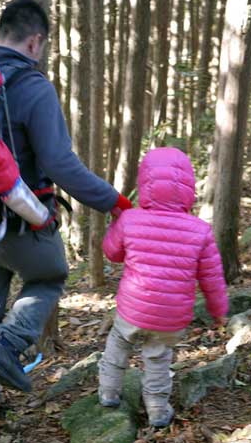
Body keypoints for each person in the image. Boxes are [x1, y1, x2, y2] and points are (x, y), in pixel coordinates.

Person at [0, 0, 132, 422]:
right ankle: (10, 347)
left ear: (0, 33)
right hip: (19, 216)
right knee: (50, 277)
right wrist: (114, 201)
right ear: (35, 41)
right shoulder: (32, 86)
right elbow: (59, 164)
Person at [98, 147, 228, 427]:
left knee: (118, 344)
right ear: (189, 186)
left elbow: (112, 252)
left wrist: (116, 224)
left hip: (133, 308)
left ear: (144, 182)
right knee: (158, 359)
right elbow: (212, 278)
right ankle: (157, 410)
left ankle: (109, 392)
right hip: (171, 317)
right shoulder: (199, 230)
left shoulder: (130, 219)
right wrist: (219, 311)